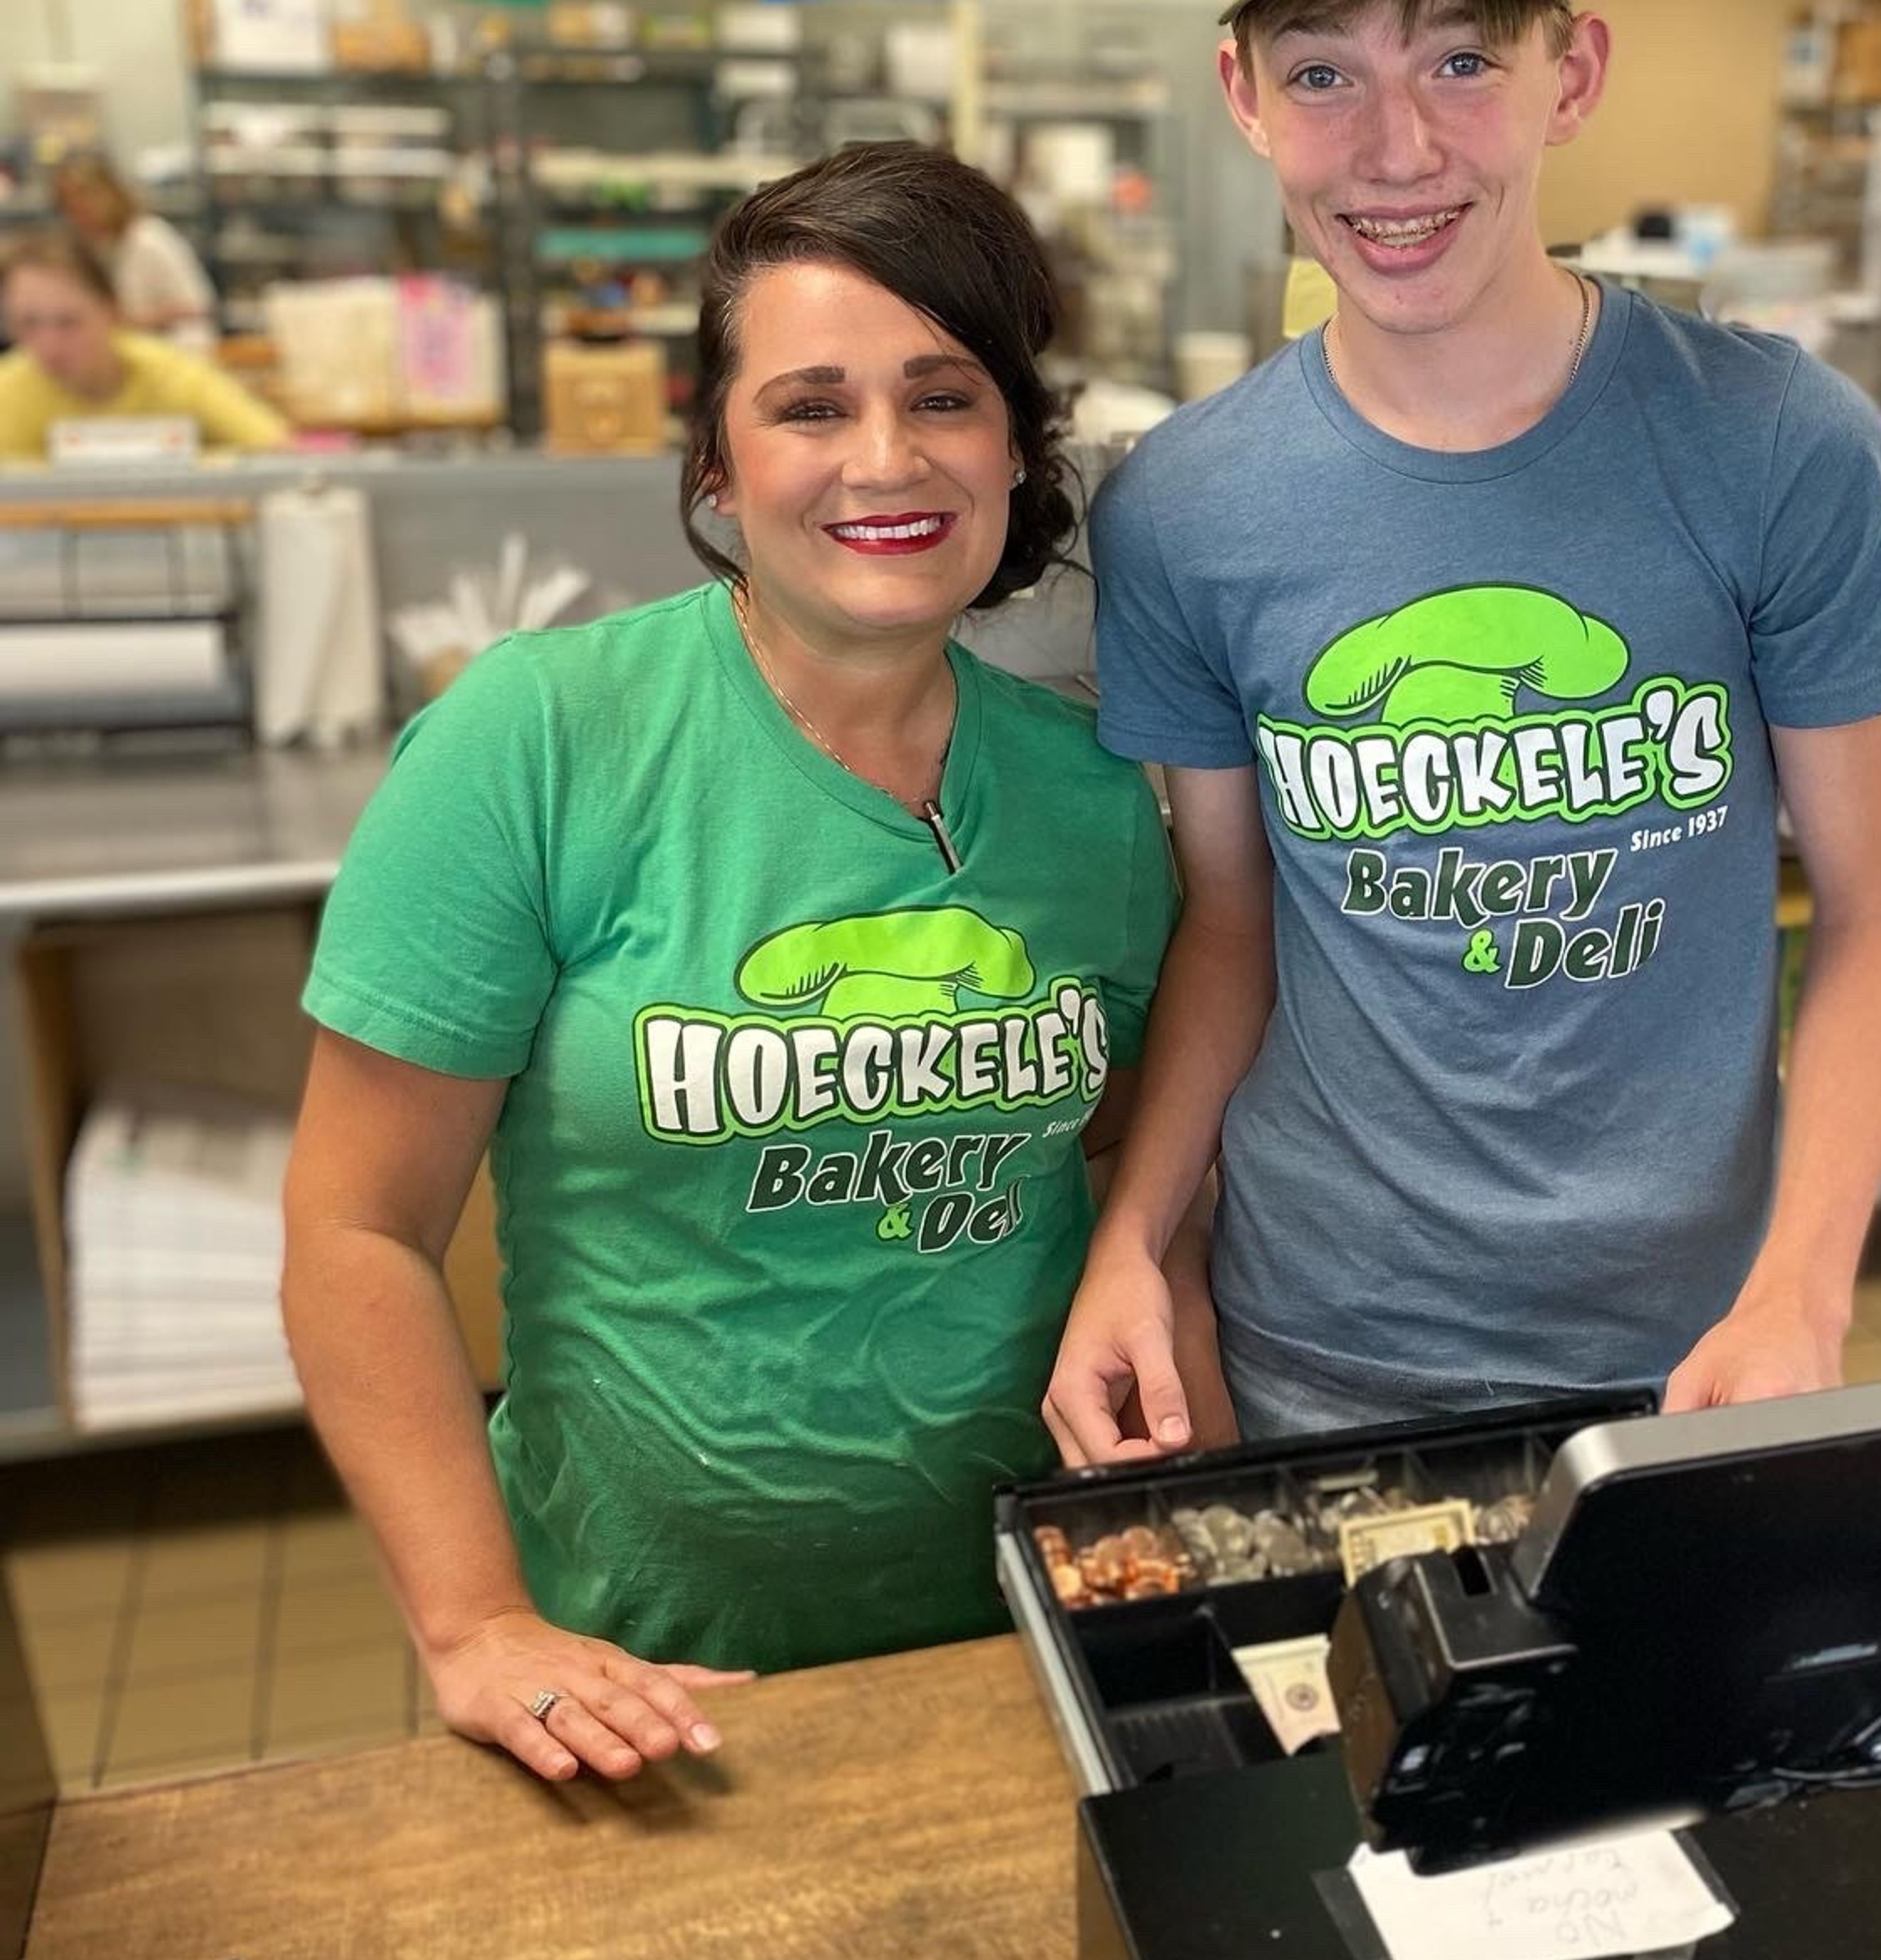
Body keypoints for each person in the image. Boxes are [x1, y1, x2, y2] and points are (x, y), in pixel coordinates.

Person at [283, 145, 1225, 1789]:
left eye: (944, 397)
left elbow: (1110, 1149)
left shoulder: (1091, 795)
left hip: (1008, 1634)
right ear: (718, 463)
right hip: (643, 1665)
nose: (885, 459)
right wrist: (473, 1625)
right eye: (810, 406)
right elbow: (354, 1229)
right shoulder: (539, 741)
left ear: (1017, 447)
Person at [1043, 0, 1881, 1458]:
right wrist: (1134, 1239)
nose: (1398, 150)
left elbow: (1880, 908)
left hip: (1697, 1343)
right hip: (1326, 1334)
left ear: (1571, 76)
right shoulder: (1184, 508)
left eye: (1462, 60)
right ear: (1243, 95)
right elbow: (1229, 928)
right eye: (1326, 75)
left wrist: (1805, 1288)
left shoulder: (1769, 440)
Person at [0, 235, 287, 456]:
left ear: (111, 312)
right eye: (28, 324)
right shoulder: (9, 389)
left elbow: (274, 447)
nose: (49, 345)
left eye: (68, 322)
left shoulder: (170, 374)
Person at [51, 153, 222, 352]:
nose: (79, 213)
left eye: (85, 201)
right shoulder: (90, 249)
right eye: (70, 207)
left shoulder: (149, 239)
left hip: (178, 350)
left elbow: (198, 306)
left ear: (111, 195)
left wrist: (131, 322)